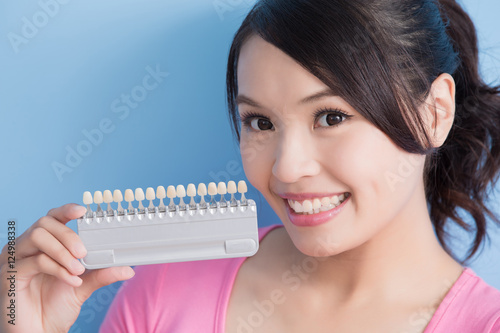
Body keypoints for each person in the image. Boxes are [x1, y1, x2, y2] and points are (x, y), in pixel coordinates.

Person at [1, 0, 500, 332]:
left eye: (331, 116)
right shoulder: (166, 289)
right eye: (260, 122)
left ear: (434, 113)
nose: (287, 168)